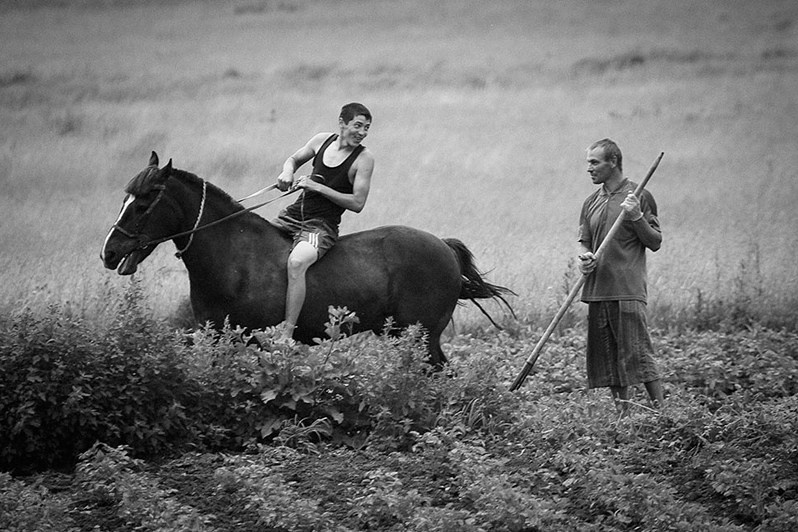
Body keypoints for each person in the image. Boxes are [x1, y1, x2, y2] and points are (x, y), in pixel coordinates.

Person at [271, 102, 374, 340]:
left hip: (319, 227)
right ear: (342, 123)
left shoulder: (364, 159)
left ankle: (287, 334)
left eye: (366, 128)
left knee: (297, 262)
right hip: (291, 216)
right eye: (358, 125)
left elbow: (357, 203)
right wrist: (287, 172)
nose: (362, 132)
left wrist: (318, 187)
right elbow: (293, 159)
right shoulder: (321, 140)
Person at [577, 138, 665, 413]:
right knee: (609, 360)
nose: (589, 168)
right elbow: (583, 242)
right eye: (588, 163)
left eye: (595, 162)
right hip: (597, 290)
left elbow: (655, 241)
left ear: (613, 161)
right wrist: (583, 259)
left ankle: (663, 415)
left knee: (639, 355)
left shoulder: (639, 196)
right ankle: (622, 417)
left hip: (627, 289)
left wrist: (636, 216)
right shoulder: (591, 202)